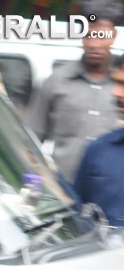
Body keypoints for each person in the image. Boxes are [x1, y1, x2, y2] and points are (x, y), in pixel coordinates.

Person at [27, 0, 122, 182]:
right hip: (65, 196)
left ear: (114, 35)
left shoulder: (122, 87)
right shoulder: (57, 81)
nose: (94, 44)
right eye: (88, 35)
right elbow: (31, 143)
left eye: (101, 36)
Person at [73, 54, 124, 227]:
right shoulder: (99, 150)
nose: (116, 92)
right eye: (116, 83)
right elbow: (78, 216)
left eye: (123, 84)